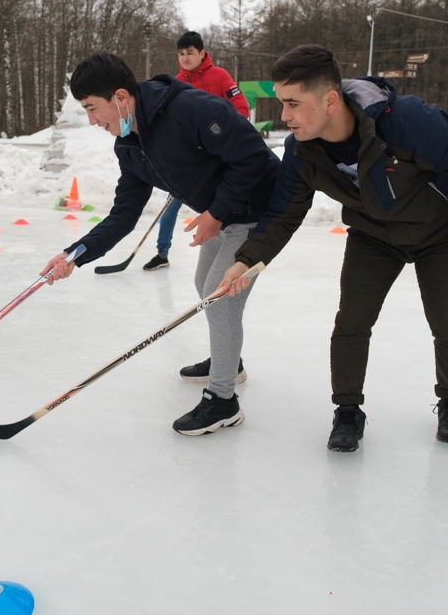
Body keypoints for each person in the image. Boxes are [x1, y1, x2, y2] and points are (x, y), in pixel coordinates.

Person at [220, 45, 448, 451]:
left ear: (330, 100)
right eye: (281, 103)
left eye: (293, 104)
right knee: (351, 323)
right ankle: (348, 410)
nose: (284, 116)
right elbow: (283, 214)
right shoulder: (301, 150)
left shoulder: (406, 121)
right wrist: (247, 261)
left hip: (438, 234)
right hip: (373, 236)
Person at [41, 52, 279, 436]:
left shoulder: (190, 109)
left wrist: (216, 213)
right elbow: (123, 215)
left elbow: (255, 160)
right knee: (205, 287)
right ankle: (228, 362)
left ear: (120, 97)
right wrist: (75, 255)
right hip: (224, 214)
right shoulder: (129, 146)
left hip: (257, 209)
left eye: (92, 109)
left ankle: (223, 401)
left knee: (218, 300)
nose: (92, 121)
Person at [142, 31, 251, 272]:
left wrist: (225, 138)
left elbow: (242, 108)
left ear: (202, 53)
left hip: (219, 161)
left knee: (219, 209)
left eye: (190, 52)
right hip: (189, 165)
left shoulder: (220, 76)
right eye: (181, 53)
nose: (185, 58)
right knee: (170, 209)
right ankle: (162, 253)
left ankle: (224, 256)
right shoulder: (174, 84)